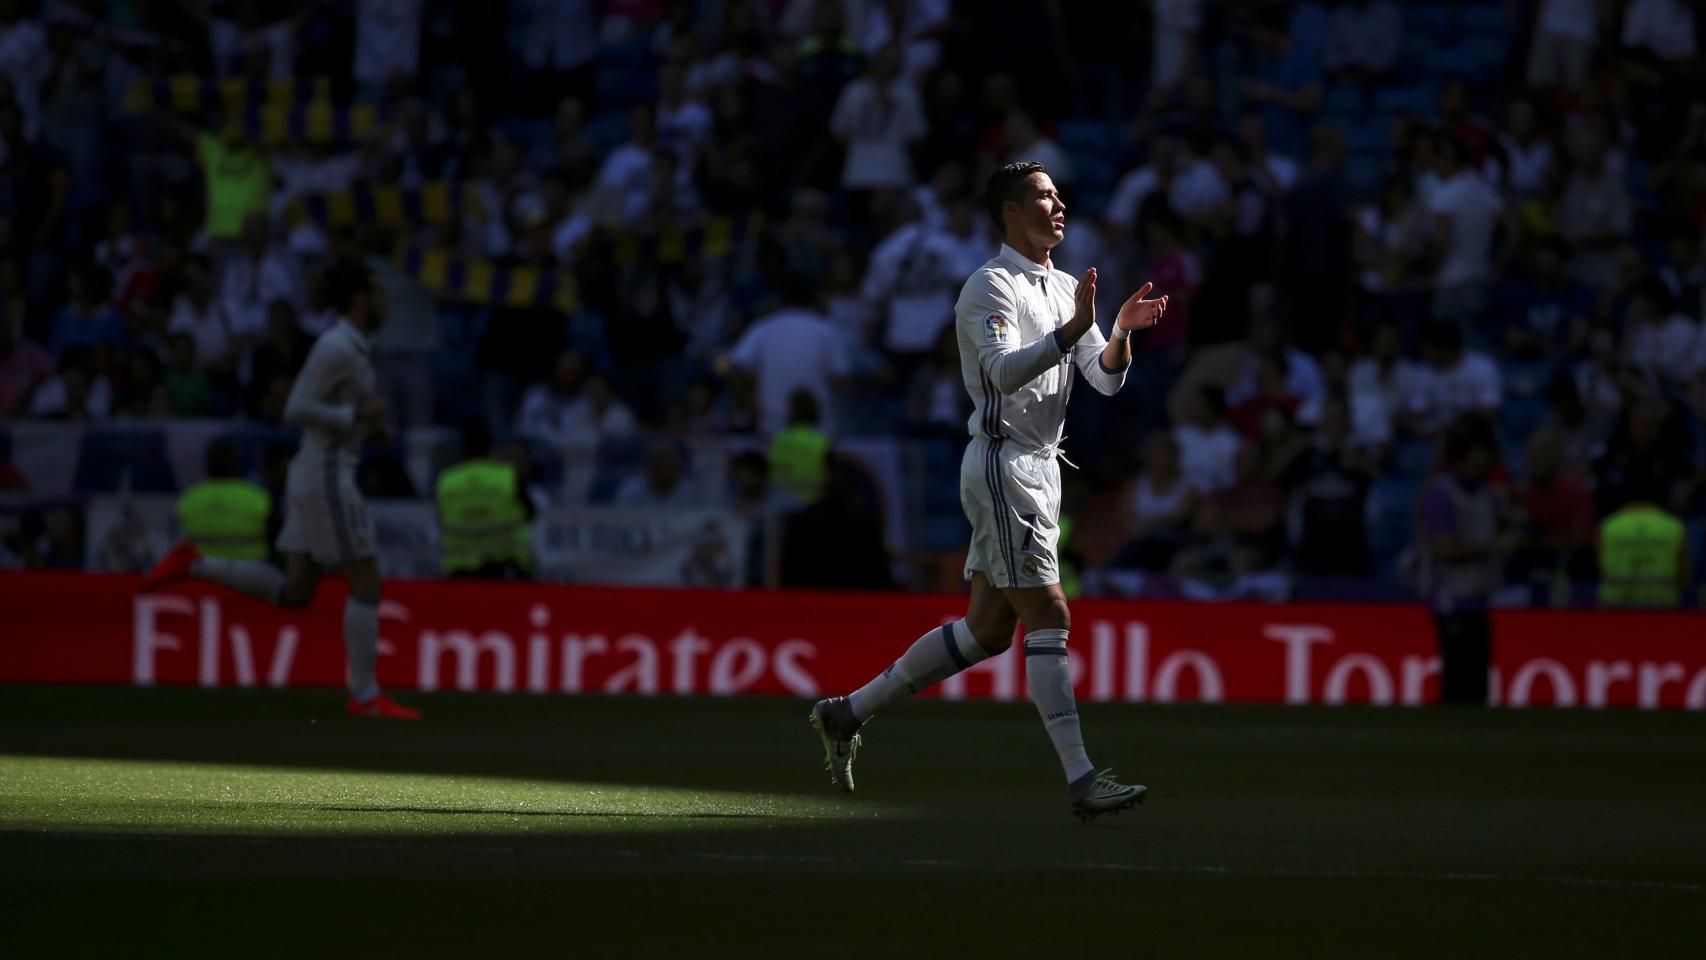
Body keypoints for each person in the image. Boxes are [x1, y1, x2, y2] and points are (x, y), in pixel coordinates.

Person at [809, 161, 1169, 820]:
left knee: (986, 632)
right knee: (1051, 617)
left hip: (1043, 468)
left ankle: (847, 711)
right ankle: (1081, 778)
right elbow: (1000, 375)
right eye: (1042, 194)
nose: (1058, 204)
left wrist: (1116, 333)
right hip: (1004, 464)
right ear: (1009, 210)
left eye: (1060, 193)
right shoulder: (988, 287)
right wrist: (1068, 333)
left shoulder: (1066, 287)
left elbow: (1105, 379)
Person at [140, 260, 419, 720]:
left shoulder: (353, 348)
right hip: (327, 477)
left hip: (316, 473)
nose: (387, 303)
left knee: (295, 593)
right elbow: (295, 408)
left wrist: (373, 430)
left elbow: (332, 411)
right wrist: (355, 419)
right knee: (367, 581)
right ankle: (366, 695)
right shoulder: (337, 347)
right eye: (380, 295)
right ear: (359, 300)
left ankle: (195, 562)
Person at [1417, 418, 1511, 706]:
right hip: (1452, 601)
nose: (1486, 463)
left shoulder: (1488, 493)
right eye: (1480, 454)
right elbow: (1444, 550)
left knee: (1479, 685)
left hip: (1480, 597)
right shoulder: (1442, 494)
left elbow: (1511, 520)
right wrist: (1494, 546)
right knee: (1458, 682)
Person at [436, 420, 534, 580]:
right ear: (490, 449)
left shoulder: (446, 482)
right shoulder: (508, 477)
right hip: (506, 571)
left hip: (459, 574)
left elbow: (441, 519)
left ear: (463, 449)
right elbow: (530, 514)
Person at [1598, 469, 1689, 608]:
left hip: (1616, 605)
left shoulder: (1609, 526)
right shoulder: (1673, 527)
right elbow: (1683, 569)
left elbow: (1600, 565)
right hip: (1663, 604)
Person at [176, 438, 272, 562]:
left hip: (203, 569)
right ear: (238, 464)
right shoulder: (258, 496)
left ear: (208, 464)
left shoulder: (190, 498)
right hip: (250, 569)